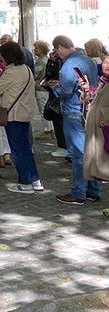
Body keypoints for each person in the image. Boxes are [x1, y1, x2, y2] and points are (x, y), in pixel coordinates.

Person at [51, 34, 99, 205]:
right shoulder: (89, 61)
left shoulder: (70, 64)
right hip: (88, 109)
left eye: (57, 52)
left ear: (60, 48)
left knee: (78, 154)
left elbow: (66, 89)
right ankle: (92, 190)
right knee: (88, 153)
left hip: (74, 110)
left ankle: (78, 192)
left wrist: (55, 89)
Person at [0, 41, 41, 194]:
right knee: (25, 148)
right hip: (24, 113)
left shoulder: (11, 71)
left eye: (2, 56)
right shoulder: (26, 69)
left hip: (13, 114)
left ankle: (25, 182)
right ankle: (34, 179)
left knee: (18, 150)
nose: (1, 59)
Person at [83, 54, 109, 199]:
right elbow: (93, 100)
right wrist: (87, 90)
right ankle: (93, 192)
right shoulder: (102, 81)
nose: (107, 65)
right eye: (105, 62)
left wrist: (106, 114)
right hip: (97, 131)